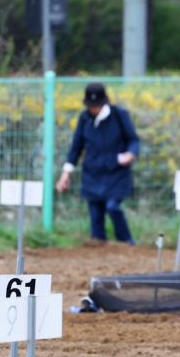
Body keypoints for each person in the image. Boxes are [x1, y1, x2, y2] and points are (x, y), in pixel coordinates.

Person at [56, 82, 141, 245]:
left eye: (97, 105)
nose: (94, 109)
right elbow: (76, 147)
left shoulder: (119, 115)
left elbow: (133, 140)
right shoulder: (84, 118)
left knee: (112, 207)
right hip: (93, 173)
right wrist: (66, 173)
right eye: (91, 106)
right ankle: (99, 248)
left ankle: (127, 242)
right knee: (96, 216)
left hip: (116, 172)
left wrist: (131, 153)